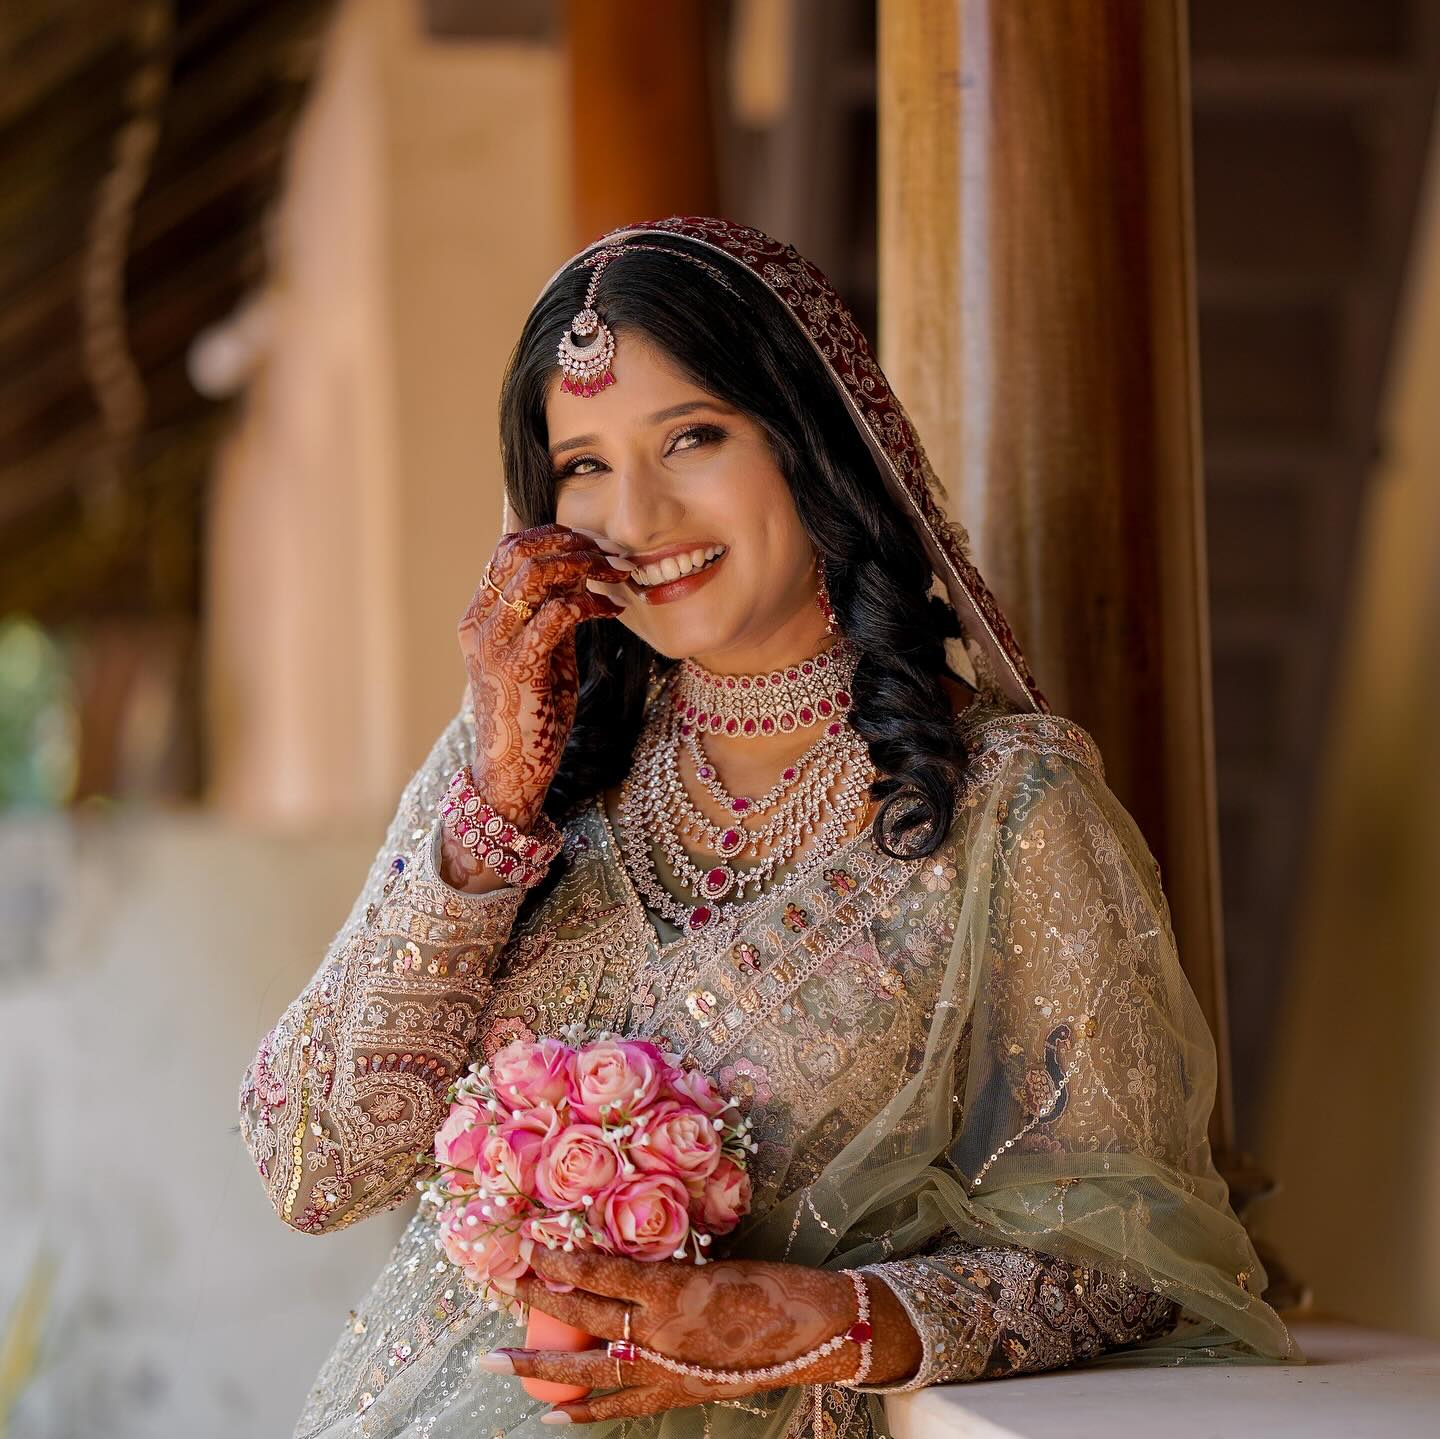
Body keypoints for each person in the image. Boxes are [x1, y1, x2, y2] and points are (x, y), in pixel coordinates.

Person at [239, 218, 1299, 1439]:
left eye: (692, 436)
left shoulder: (1007, 813)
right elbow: (313, 1168)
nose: (632, 514)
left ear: (809, 443)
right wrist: (485, 819)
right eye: (581, 464)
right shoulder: (519, 762)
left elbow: (1129, 1266)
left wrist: (820, 1320)